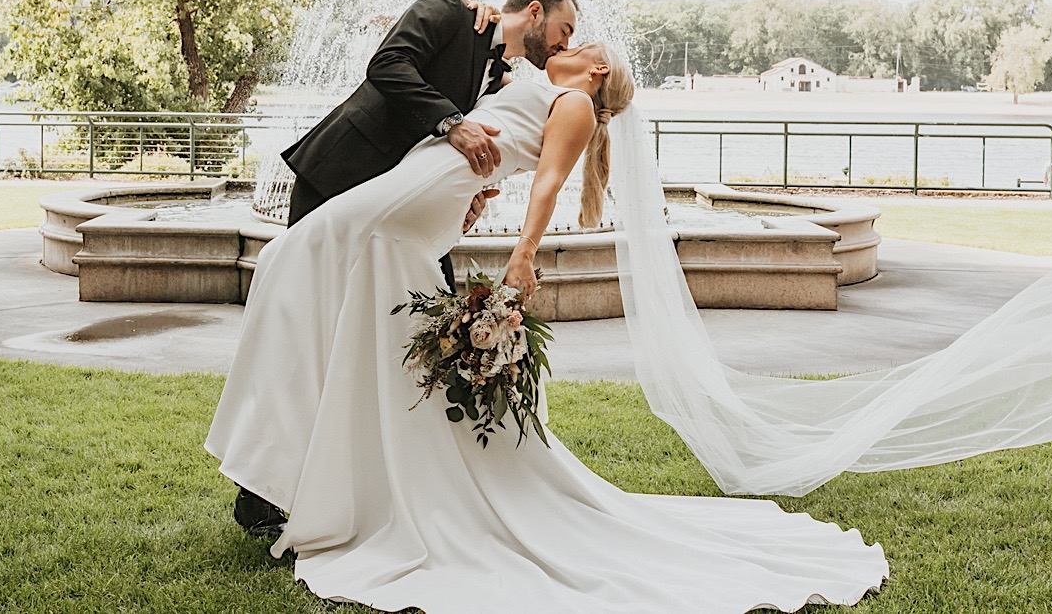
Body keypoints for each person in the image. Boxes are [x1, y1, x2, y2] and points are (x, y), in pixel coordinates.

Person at [206, 44, 892, 612]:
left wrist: (521, 262)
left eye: (585, 46)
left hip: (415, 202)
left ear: (597, 75)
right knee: (329, 289)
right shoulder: (543, 86)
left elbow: (546, 185)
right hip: (430, 190)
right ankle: (319, 476)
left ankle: (285, 465)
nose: (572, 44)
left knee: (293, 255)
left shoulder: (576, 105)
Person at [232, 0, 579, 538]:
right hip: (340, 184)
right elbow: (387, 65)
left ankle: (408, 486)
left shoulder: (499, 75)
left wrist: (466, 197)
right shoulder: (448, 11)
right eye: (564, 30)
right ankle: (260, 493)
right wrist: (452, 123)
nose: (565, 45)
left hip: (403, 223)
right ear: (535, 12)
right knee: (310, 332)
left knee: (425, 342)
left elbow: (452, 157)